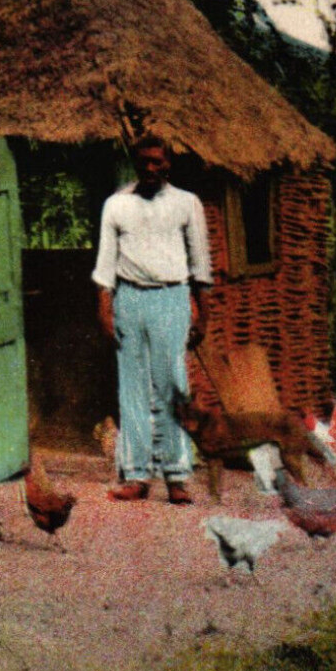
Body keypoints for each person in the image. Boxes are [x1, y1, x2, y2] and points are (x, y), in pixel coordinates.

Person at [92, 135, 212, 504]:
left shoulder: (186, 204)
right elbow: (105, 265)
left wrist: (202, 314)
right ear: (135, 162)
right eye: (143, 161)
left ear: (168, 164)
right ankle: (137, 475)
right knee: (132, 386)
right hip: (129, 298)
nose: (150, 168)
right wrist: (105, 309)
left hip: (171, 298)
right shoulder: (116, 205)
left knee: (172, 385)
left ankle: (176, 475)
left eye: (157, 162)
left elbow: (200, 263)